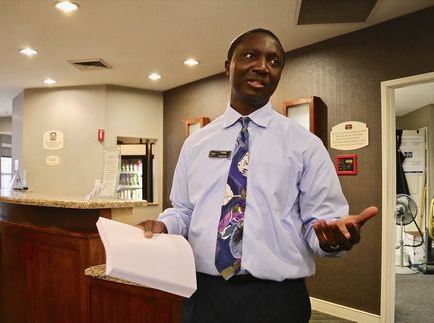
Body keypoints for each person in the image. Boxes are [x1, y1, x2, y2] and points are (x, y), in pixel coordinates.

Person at [137, 28, 378, 323]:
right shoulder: (196, 143)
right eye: (251, 56)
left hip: (277, 300)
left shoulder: (305, 145)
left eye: (274, 62)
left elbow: (318, 224)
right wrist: (163, 225)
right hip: (205, 295)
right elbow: (185, 211)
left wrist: (330, 240)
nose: (263, 67)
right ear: (228, 66)